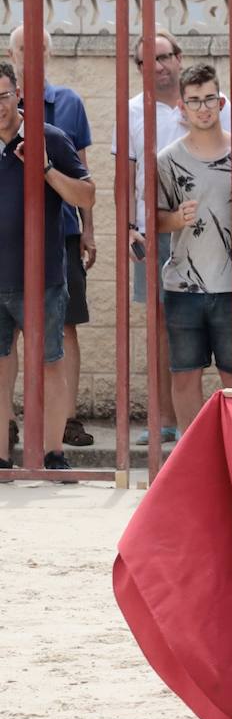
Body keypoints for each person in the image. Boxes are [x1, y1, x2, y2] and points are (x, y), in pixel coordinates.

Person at [116, 29, 232, 446]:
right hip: (159, 229)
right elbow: (127, 175)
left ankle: (221, 423)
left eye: (164, 57)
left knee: (222, 328)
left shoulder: (216, 106)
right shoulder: (131, 111)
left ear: (179, 58)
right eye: (147, 61)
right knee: (163, 325)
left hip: (214, 233)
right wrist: (130, 225)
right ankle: (165, 419)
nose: (158, 66)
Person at [155, 63, 232, 434]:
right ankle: (192, 458)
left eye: (210, 98)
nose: (203, 107)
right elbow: (157, 218)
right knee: (184, 376)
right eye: (194, 101)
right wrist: (177, 219)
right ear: (182, 106)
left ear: (222, 100)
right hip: (183, 286)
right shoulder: (168, 159)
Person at [0, 61, 96, 471]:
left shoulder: (50, 139)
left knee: (50, 362)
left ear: (18, 93)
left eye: (3, 96)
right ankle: (2, 457)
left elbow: (86, 195)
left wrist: (43, 168)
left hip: (44, 277)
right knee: (1, 364)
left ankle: (54, 453)